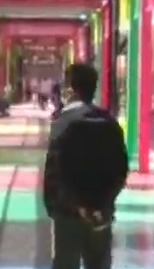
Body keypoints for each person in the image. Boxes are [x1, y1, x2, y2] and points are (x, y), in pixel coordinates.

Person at [43, 62, 129, 269]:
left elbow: (56, 172)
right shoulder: (110, 123)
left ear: (70, 89)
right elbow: (121, 169)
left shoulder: (62, 123)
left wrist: (66, 206)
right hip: (101, 214)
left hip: (67, 213)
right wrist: (103, 204)